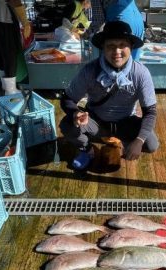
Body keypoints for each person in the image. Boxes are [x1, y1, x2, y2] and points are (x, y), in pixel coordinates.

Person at [60, 20, 159, 171]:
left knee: (151, 144)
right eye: (111, 46)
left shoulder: (141, 73)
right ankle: (87, 149)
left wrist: (138, 141)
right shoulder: (90, 71)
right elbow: (67, 99)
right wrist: (76, 113)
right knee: (67, 125)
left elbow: (150, 112)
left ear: (131, 47)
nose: (117, 51)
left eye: (122, 45)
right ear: (103, 48)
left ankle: (124, 142)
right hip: (96, 122)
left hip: (126, 122)